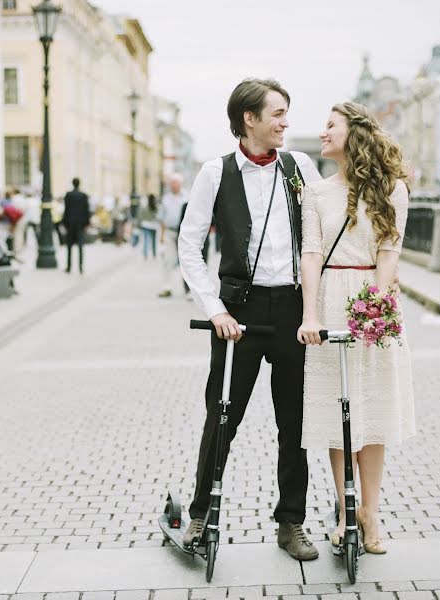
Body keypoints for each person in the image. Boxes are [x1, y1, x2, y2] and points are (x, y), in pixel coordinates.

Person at [178, 78, 322, 560]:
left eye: (287, 112)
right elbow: (189, 245)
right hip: (238, 315)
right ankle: (201, 514)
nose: (286, 122)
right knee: (222, 419)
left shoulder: (299, 166)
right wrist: (214, 309)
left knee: (294, 425)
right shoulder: (214, 173)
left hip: (292, 313)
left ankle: (292, 523)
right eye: (278, 113)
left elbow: (321, 228)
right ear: (250, 119)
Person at [297, 102, 415, 555]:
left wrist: (376, 305)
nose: (322, 133)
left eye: (331, 126)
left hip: (373, 295)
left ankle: (370, 511)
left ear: (355, 134)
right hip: (329, 299)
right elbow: (310, 255)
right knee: (335, 413)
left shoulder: (393, 189)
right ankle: (345, 512)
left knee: (372, 414)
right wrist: (311, 315)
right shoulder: (316, 194)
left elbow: (389, 250)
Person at [157, 174, 187, 297]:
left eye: (176, 183)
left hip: (184, 233)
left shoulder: (187, 197)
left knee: (185, 261)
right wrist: (162, 236)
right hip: (169, 232)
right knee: (168, 260)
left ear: (180, 184)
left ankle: (188, 289)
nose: (174, 185)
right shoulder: (166, 199)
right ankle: (167, 286)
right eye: (172, 183)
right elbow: (162, 218)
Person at [62, 177, 91, 274]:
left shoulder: (68, 195)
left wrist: (65, 223)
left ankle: (69, 266)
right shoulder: (83, 196)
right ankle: (81, 266)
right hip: (80, 224)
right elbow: (86, 211)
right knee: (80, 246)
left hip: (70, 223)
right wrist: (86, 223)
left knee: (69, 246)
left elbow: (66, 210)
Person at [138, 194, 158, 259]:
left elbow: (140, 217)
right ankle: (154, 254)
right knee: (153, 241)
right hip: (153, 226)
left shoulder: (145, 208)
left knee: (146, 240)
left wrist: (139, 225)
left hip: (145, 225)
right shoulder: (155, 208)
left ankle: (145, 254)